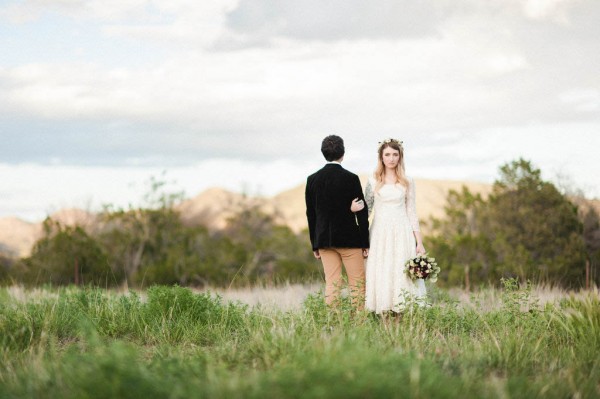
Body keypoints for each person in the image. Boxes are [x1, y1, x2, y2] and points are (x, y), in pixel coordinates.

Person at [351, 138, 426, 313]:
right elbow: (366, 211)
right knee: (382, 271)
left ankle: (401, 312)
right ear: (381, 157)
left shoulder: (407, 180)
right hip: (379, 233)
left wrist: (419, 243)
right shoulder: (372, 181)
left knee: (401, 272)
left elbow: (412, 212)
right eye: (387, 155)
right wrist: (354, 215)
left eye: (395, 154)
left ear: (400, 157)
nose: (391, 158)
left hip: (402, 232)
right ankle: (384, 312)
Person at [305, 135, 370, 308]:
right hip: (350, 240)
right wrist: (365, 243)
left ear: (323, 153)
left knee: (332, 284)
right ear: (343, 153)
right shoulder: (351, 178)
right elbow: (362, 212)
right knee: (357, 284)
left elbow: (311, 215)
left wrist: (315, 244)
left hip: (324, 241)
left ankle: (332, 324)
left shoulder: (312, 180)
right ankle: (359, 324)